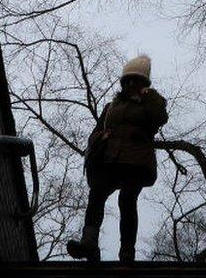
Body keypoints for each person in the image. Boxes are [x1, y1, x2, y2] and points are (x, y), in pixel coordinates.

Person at [66, 54, 168, 263]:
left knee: (127, 199)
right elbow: (95, 132)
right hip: (110, 158)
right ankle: (89, 243)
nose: (131, 84)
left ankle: (127, 252)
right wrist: (101, 137)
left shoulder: (150, 103)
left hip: (136, 161)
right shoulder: (111, 107)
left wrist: (150, 95)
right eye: (128, 80)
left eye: (136, 80)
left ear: (143, 83)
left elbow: (160, 117)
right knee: (96, 195)